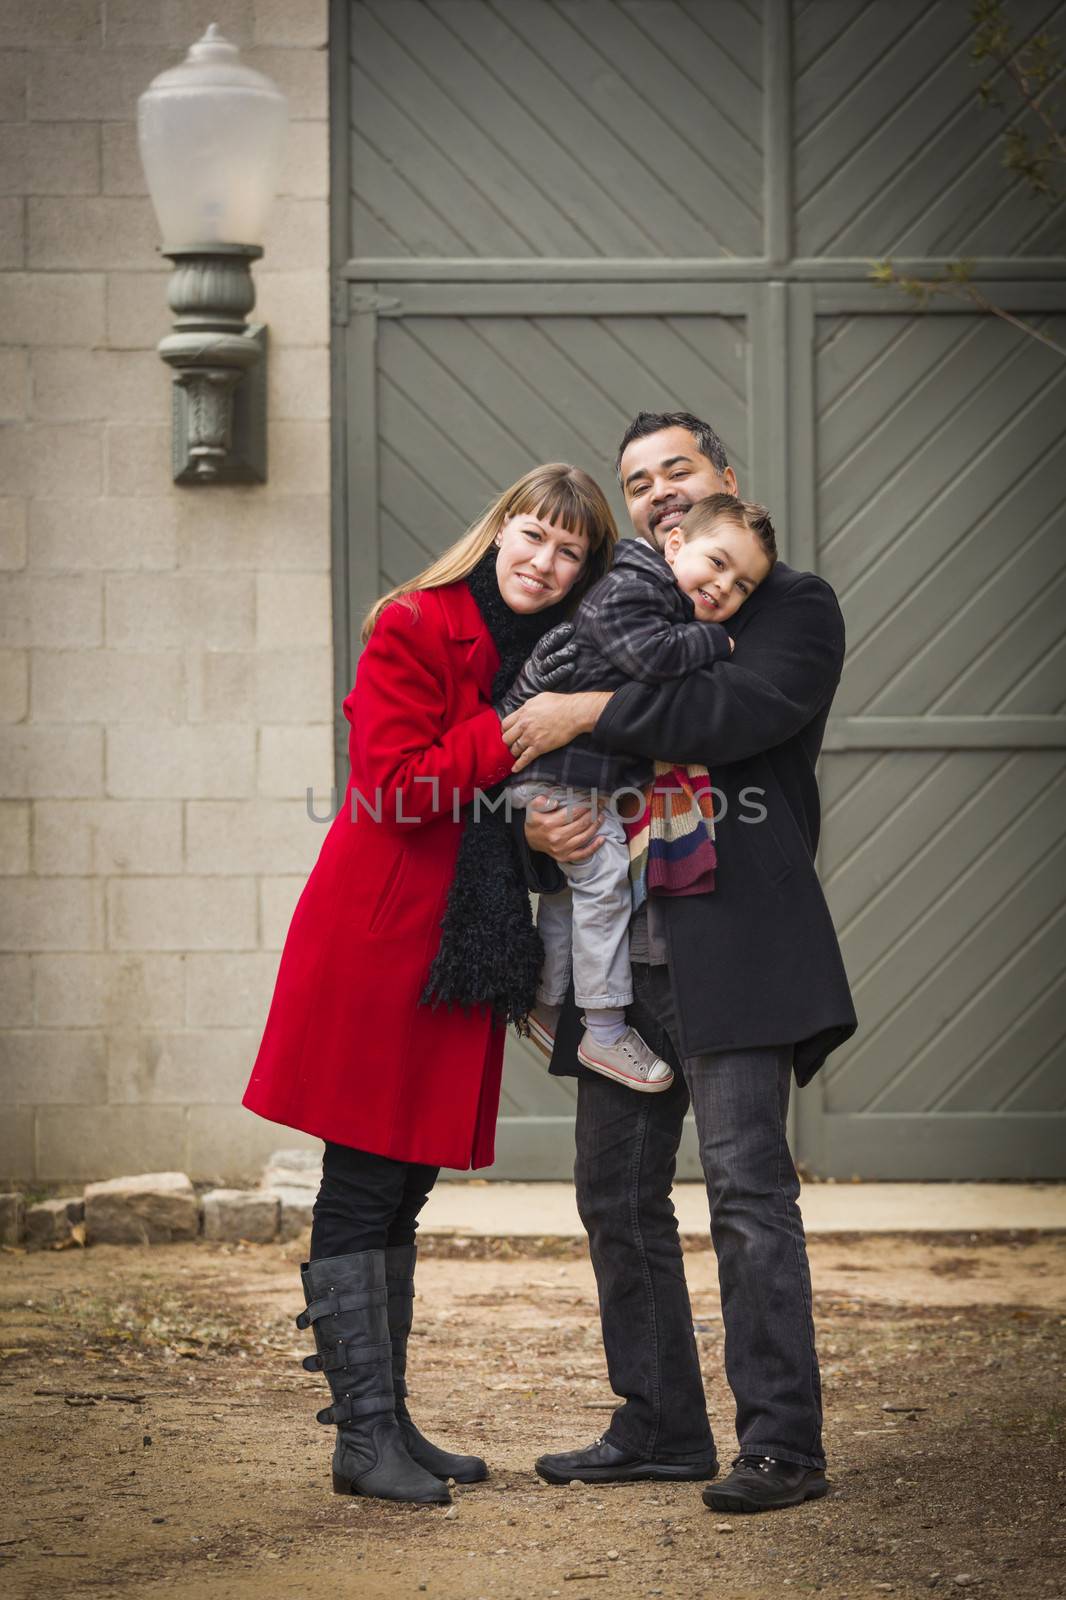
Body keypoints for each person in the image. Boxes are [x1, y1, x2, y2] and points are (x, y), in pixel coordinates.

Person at [501, 412, 858, 1515]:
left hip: (733, 935)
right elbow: (524, 742)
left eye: (676, 471)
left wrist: (582, 704)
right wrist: (527, 827)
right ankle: (658, 1425)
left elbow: (729, 708)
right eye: (637, 479)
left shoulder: (783, 602)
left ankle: (783, 1446)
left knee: (748, 1192)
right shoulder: (617, 596)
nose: (656, 490)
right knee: (614, 1192)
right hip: (618, 952)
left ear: (721, 482)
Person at [242, 464, 617, 1506]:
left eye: (570, 550)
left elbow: (510, 804)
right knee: (364, 1181)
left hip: (449, 944)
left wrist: (535, 811)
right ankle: (362, 1437)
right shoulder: (414, 623)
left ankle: (385, 1415)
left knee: (402, 1188)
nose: (546, 561)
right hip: (381, 941)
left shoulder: (548, 655)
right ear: (498, 530)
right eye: (533, 535)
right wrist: (513, 733)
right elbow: (396, 786)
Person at [501, 493, 775, 1095]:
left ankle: (545, 1003)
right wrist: (715, 644)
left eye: (744, 587)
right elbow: (649, 658)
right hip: (560, 772)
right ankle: (601, 1027)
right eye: (719, 563)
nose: (725, 587)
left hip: (565, 774)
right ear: (675, 545)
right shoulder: (634, 589)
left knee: (572, 897)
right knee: (604, 889)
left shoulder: (656, 592)